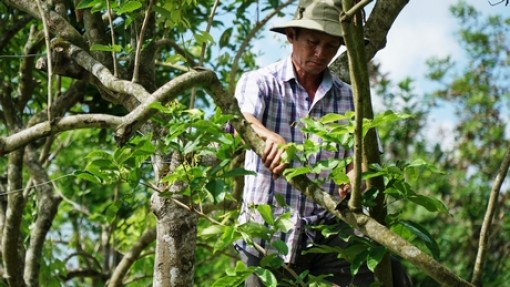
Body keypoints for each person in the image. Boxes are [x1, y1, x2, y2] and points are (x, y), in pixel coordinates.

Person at [233, 0, 411, 286]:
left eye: (330, 46)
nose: (320, 53)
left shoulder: (349, 96)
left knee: (389, 273)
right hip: (268, 235)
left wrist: (356, 176)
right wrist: (270, 137)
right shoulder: (260, 82)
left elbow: (360, 158)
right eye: (313, 42)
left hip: (328, 229)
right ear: (292, 36)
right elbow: (241, 123)